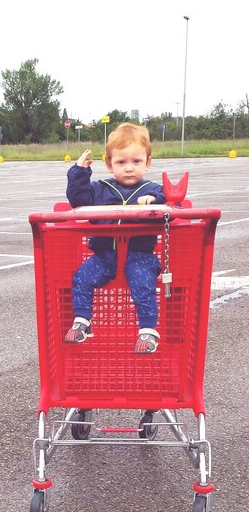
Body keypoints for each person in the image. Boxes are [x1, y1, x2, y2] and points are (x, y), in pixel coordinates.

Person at [64, 123, 166, 354]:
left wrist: (153, 200)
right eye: (121, 162)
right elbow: (77, 199)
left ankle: (148, 331)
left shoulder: (152, 189)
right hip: (105, 256)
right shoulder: (100, 189)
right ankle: (82, 321)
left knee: (143, 284)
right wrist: (79, 172)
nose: (129, 168)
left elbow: (170, 201)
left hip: (140, 256)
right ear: (110, 164)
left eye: (136, 162)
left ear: (147, 162)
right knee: (82, 277)